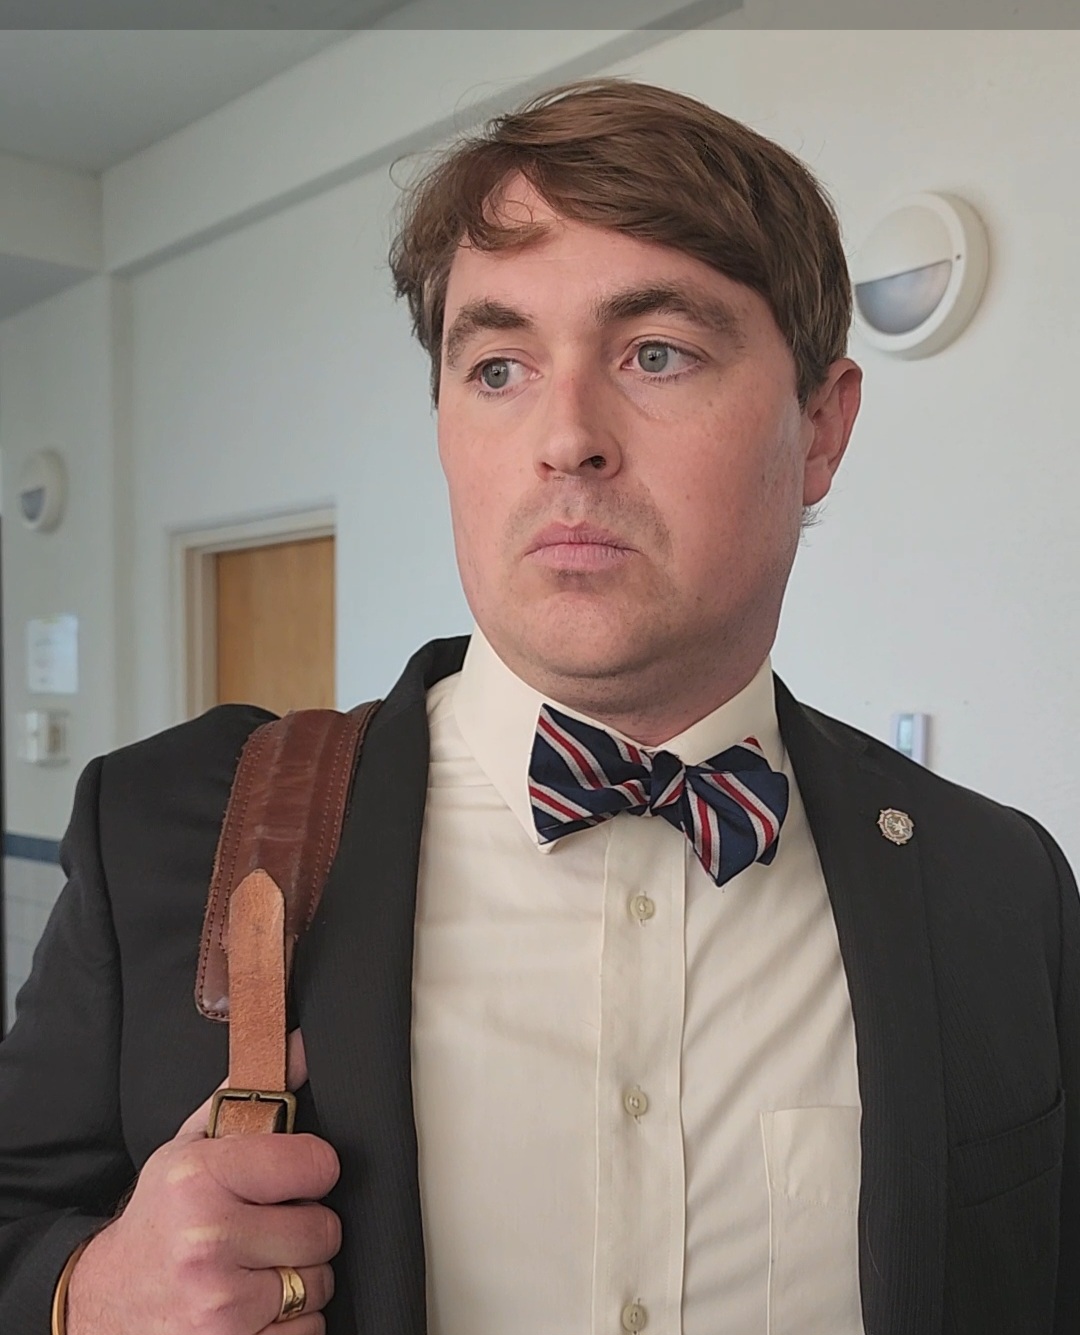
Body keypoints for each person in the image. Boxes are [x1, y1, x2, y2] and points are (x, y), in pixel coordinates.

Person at [0, 76, 1075, 1335]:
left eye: (656, 353)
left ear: (822, 428)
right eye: (499, 365)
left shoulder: (996, 885)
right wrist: (86, 1297)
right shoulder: (166, 835)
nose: (565, 437)